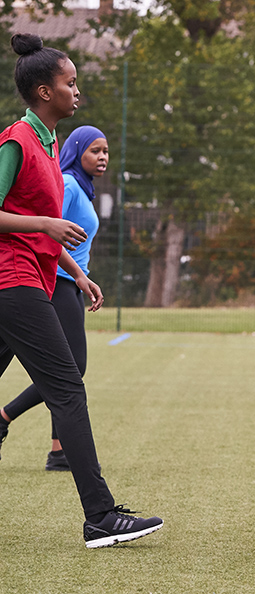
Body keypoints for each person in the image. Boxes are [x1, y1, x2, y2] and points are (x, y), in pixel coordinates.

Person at [0, 33, 161, 548]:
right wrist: (46, 225)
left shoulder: (48, 147)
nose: (77, 90)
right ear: (44, 91)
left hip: (34, 276)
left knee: (66, 386)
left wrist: (77, 269)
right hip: (13, 281)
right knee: (68, 388)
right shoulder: (16, 142)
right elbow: (31, 222)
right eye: (70, 83)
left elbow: (45, 228)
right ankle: (101, 516)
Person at [0, 125, 107, 472]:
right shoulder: (70, 184)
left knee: (64, 371)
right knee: (69, 371)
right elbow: (43, 225)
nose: (103, 157)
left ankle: (58, 450)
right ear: (77, 151)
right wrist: (73, 273)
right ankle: (7, 417)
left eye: (106, 151)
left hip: (67, 280)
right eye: (95, 150)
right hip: (46, 279)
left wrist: (81, 275)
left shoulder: (83, 187)